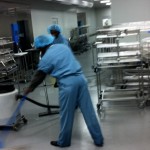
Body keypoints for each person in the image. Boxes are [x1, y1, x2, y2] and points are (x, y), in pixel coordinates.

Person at [24, 35, 104, 148]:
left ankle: (64, 142)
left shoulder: (46, 58)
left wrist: (29, 89)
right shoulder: (63, 47)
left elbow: (39, 76)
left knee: (66, 114)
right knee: (89, 111)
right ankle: (98, 139)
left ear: (41, 49)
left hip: (68, 85)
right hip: (81, 79)